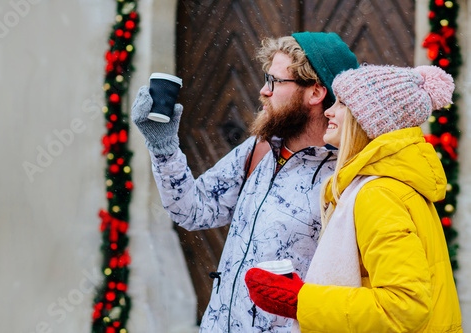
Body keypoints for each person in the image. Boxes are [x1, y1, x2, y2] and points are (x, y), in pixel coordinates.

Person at [132, 32, 358, 332]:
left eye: (275, 81)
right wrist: (163, 148)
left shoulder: (347, 178)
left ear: (315, 93)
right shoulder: (259, 149)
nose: (264, 90)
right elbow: (191, 210)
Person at [245, 64, 462, 332]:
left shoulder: (377, 194)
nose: (328, 111)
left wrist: (299, 300)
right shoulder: (389, 183)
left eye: (343, 103)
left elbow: (405, 305)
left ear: (369, 118)